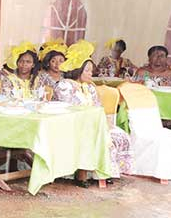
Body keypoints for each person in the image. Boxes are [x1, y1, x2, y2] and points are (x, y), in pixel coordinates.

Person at [53, 40, 133, 186]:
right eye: (87, 70)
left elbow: (98, 106)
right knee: (91, 135)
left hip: (92, 123)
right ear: (78, 70)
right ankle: (82, 173)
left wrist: (103, 122)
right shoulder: (65, 85)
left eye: (91, 70)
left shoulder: (89, 87)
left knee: (118, 134)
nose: (91, 73)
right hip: (72, 124)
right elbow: (69, 109)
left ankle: (104, 171)